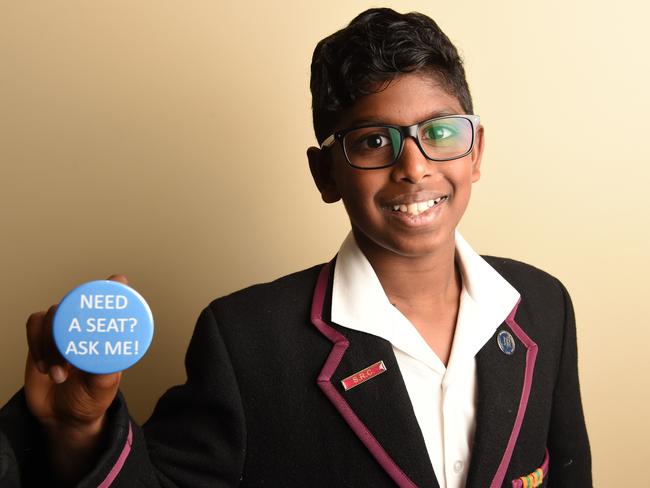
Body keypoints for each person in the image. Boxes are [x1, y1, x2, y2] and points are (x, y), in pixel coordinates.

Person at [0, 7, 592, 488]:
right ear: (325, 174)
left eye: (440, 132)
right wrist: (80, 431)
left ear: (476, 149)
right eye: (372, 141)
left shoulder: (542, 305)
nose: (414, 167)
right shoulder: (247, 342)